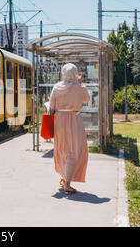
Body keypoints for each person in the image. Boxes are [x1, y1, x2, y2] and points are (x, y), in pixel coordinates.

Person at [48, 63, 90, 194]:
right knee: (75, 151)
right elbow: (87, 100)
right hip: (74, 120)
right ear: (75, 73)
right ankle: (67, 182)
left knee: (62, 149)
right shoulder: (80, 88)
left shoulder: (56, 87)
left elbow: (51, 106)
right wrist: (80, 85)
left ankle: (64, 177)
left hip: (59, 120)